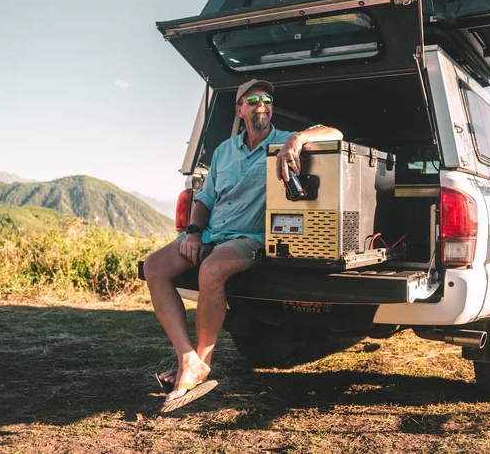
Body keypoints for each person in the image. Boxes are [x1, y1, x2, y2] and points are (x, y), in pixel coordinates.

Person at [143, 79, 342, 412]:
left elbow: (335, 134)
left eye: (266, 99)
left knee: (212, 270)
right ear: (240, 109)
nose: (261, 104)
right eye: (252, 100)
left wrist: (298, 138)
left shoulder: (283, 141)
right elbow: (205, 198)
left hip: (250, 238)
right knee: (154, 267)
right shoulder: (224, 151)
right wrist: (193, 232)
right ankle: (187, 358)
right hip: (211, 233)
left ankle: (201, 361)